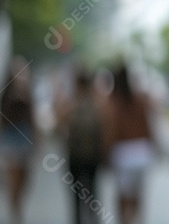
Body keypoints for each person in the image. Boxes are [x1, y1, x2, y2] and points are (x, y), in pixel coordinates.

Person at [102, 64, 157, 224]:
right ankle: (134, 220)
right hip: (141, 152)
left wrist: (106, 153)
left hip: (123, 154)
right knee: (137, 196)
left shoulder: (113, 102)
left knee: (123, 197)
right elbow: (148, 126)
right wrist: (155, 147)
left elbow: (110, 132)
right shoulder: (139, 99)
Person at [61, 67, 104, 224]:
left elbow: (58, 126)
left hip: (75, 156)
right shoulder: (97, 104)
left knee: (76, 197)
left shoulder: (71, 103)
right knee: (93, 194)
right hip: (92, 156)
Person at [0, 57, 35, 224]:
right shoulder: (6, 94)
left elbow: (32, 119)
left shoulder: (28, 93)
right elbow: (1, 118)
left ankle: (18, 209)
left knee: (24, 180)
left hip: (24, 140)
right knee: (13, 180)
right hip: (10, 141)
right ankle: (15, 215)